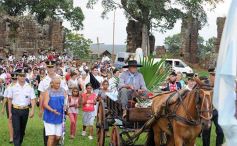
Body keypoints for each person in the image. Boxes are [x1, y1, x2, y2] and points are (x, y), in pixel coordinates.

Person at [38, 60, 68, 146]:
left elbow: (65, 94)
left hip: (59, 109)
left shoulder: (61, 78)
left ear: (55, 67)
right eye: (49, 67)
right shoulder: (43, 80)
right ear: (46, 68)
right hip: (48, 109)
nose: (50, 69)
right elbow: (41, 95)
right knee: (49, 133)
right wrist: (41, 109)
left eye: (52, 67)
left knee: (57, 136)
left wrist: (66, 106)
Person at [8, 68, 36, 146]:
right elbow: (9, 100)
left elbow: (33, 99)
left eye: (24, 75)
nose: (23, 77)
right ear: (17, 76)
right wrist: (10, 112)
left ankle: (19, 143)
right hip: (15, 110)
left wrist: (33, 110)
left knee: (22, 130)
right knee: (16, 130)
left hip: (25, 110)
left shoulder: (29, 87)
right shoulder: (12, 87)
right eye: (21, 76)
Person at [202, 68, 224, 146]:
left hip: (216, 111)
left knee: (220, 131)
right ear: (210, 75)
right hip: (206, 111)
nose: (215, 77)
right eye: (213, 75)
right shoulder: (204, 84)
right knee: (206, 133)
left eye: (216, 75)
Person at [43, 77, 67, 146]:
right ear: (52, 83)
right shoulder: (48, 91)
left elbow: (66, 101)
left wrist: (66, 106)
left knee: (58, 137)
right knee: (51, 136)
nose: (58, 85)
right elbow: (45, 104)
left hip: (59, 117)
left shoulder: (63, 90)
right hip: (50, 117)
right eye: (56, 83)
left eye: (59, 83)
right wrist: (52, 110)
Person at [1, 73, 17, 143]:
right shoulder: (8, 87)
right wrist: (3, 108)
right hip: (9, 105)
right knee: (10, 120)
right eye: (13, 79)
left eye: (15, 79)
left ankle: (19, 132)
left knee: (18, 120)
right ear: (11, 79)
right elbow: (5, 98)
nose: (14, 80)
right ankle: (11, 137)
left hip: (18, 105)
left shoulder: (21, 86)